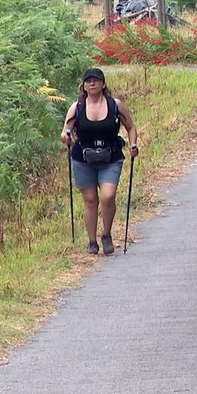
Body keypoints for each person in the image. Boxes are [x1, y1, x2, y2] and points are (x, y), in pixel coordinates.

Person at [61, 67, 139, 255]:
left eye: (96, 80)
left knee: (107, 196)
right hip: (83, 158)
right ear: (84, 86)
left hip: (111, 156)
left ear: (103, 84)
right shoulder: (77, 107)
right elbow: (66, 130)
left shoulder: (115, 105)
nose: (92, 83)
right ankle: (92, 242)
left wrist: (133, 144)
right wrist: (66, 136)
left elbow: (130, 126)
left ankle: (106, 234)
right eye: (88, 81)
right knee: (90, 201)